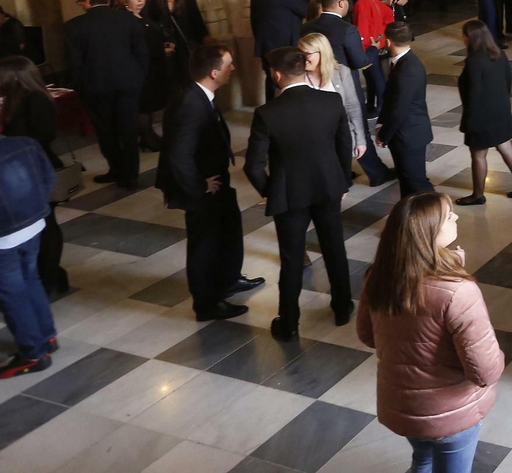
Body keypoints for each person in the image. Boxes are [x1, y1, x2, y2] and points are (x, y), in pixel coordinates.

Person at [357, 192, 502, 473]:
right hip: (450, 413)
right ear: (430, 233)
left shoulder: (379, 275)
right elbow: (484, 372)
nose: (456, 216)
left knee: (422, 460)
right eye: (448, 216)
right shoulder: (458, 291)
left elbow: (367, 335)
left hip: (401, 404)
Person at [244, 46, 355, 341]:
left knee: (292, 259)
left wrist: (270, 191)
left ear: (276, 74)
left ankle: (289, 323)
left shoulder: (267, 113)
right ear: (303, 68)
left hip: (289, 195)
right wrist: (341, 182)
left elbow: (253, 166)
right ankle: (342, 307)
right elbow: (343, 146)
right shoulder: (331, 101)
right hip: (328, 188)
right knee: (334, 249)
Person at [156, 44, 261, 321]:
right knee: (205, 243)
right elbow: (179, 155)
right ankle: (206, 303)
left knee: (228, 229)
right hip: (201, 186)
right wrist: (199, 187)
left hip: (214, 179)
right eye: (229, 64)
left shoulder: (200, 94)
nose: (233, 68)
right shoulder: (190, 103)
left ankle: (228, 279)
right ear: (214, 72)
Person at [304, 0, 393, 186]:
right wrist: (373, 48)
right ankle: (377, 173)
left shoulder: (307, 27)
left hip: (315, 84)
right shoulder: (347, 29)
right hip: (344, 83)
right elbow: (359, 61)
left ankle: (341, 171)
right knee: (357, 124)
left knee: (330, 129)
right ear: (341, 2)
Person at [0, 57, 67, 295]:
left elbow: (42, 136)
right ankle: (48, 274)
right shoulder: (13, 99)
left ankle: (50, 277)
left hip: (34, 167)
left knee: (47, 225)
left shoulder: (36, 100)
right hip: (20, 170)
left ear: (13, 78)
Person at [63, 0, 149, 187]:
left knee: (106, 131)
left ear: (87, 0)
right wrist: (138, 78)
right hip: (128, 83)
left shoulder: (73, 26)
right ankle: (131, 175)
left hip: (95, 86)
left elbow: (74, 62)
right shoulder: (128, 19)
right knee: (128, 130)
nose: (80, 5)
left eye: (80, 1)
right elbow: (141, 53)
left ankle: (116, 170)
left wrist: (78, 85)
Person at [0, 119, 57, 378]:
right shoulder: (25, 144)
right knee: (31, 279)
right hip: (34, 225)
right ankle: (47, 336)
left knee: (12, 296)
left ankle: (33, 354)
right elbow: (48, 178)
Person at [454, 20, 512, 206]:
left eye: (464, 35)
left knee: (478, 155)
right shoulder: (499, 53)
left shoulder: (474, 61)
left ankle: (477, 195)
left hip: (481, 116)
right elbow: (508, 79)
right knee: (506, 146)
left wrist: (469, 121)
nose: (462, 38)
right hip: (500, 110)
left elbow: (473, 93)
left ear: (470, 38)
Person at [299, 31, 371, 177]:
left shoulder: (341, 72)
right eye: (299, 54)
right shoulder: (297, 76)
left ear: (322, 53)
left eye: (307, 54)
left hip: (339, 138)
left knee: (340, 177)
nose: (302, 59)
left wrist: (360, 140)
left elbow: (352, 107)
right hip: (311, 141)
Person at [378, 23, 434, 197]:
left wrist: (384, 135)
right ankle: (410, 213)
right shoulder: (405, 62)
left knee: (416, 183)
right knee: (407, 181)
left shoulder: (407, 69)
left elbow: (398, 110)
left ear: (388, 41)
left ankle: (436, 211)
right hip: (408, 133)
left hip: (409, 135)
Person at [113, 0, 170, 152]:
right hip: (139, 69)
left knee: (150, 103)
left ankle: (150, 133)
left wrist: (163, 46)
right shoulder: (125, 20)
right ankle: (145, 137)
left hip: (153, 67)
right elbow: (134, 47)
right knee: (143, 105)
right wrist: (160, 51)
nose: (140, 0)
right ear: (124, 1)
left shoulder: (142, 16)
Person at [147, 0, 209, 92]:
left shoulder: (188, 1)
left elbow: (197, 21)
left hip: (186, 41)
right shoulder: (154, 3)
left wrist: (204, 37)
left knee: (188, 73)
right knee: (170, 76)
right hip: (167, 43)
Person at [346, 0, 393, 114]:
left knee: (375, 77)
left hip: (369, 45)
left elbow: (362, 27)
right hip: (377, 42)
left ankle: (381, 107)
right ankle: (372, 104)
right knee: (373, 76)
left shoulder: (362, 3)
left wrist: (360, 47)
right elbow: (388, 14)